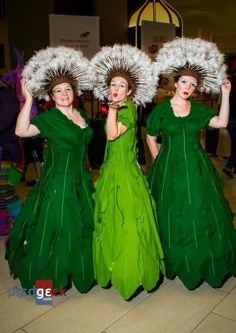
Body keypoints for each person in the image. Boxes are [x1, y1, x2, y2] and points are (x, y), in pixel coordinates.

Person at [146, 37, 236, 290]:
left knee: (198, 210)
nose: (187, 86)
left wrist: (226, 94)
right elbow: (151, 137)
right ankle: (174, 259)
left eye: (193, 84)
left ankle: (200, 259)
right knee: (170, 212)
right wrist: (158, 159)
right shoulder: (161, 110)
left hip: (197, 168)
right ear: (175, 82)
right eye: (184, 81)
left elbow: (221, 123)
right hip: (168, 168)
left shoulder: (197, 111)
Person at [5, 46, 96, 294]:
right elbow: (21, 132)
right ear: (51, 95)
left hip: (80, 182)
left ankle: (73, 270)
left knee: (78, 228)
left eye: (67, 89)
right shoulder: (49, 119)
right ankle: (44, 287)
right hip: (58, 184)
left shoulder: (81, 115)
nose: (64, 93)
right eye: (58, 91)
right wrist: (28, 100)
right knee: (52, 231)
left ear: (74, 91)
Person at [90, 44, 165, 300]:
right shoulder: (116, 109)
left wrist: (111, 110)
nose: (116, 88)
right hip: (112, 170)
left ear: (130, 91)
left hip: (124, 173)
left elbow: (112, 135)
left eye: (121, 85)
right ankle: (113, 265)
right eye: (113, 84)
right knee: (110, 218)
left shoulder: (128, 109)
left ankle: (132, 269)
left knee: (129, 219)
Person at [0, 74, 22, 236]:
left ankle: (23, 224)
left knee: (6, 189)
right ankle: (3, 227)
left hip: (8, 152)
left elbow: (4, 122)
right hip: (5, 149)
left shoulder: (7, 96)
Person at [223, 69, 236, 177]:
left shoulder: (230, 90)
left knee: (234, 145)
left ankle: (232, 167)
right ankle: (229, 166)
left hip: (230, 122)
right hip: (234, 122)